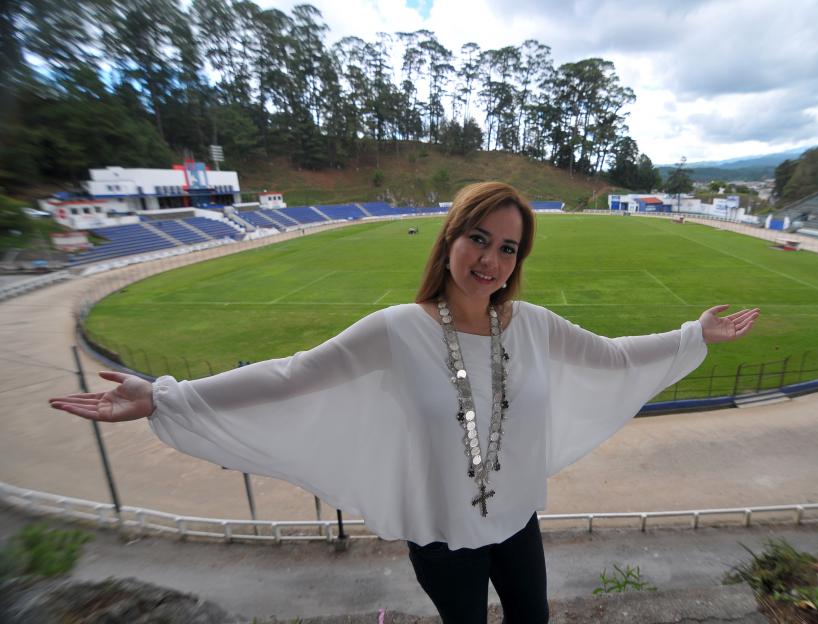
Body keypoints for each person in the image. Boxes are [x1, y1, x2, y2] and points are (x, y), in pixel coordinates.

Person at [50, 181, 759, 624]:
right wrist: (165, 397)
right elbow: (289, 376)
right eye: (479, 238)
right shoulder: (396, 330)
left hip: (515, 520)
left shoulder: (533, 325)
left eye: (509, 248)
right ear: (450, 237)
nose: (492, 260)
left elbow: (615, 356)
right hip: (442, 533)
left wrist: (692, 334)